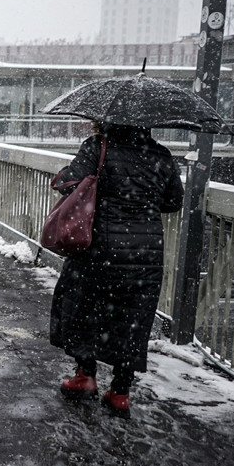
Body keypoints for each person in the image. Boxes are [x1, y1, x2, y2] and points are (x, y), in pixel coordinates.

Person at [50, 122, 183, 418]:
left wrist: (65, 175)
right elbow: (174, 201)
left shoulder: (98, 147)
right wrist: (141, 202)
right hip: (145, 253)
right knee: (132, 318)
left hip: (99, 247)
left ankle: (85, 376)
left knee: (84, 307)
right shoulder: (161, 154)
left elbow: (70, 184)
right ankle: (120, 392)